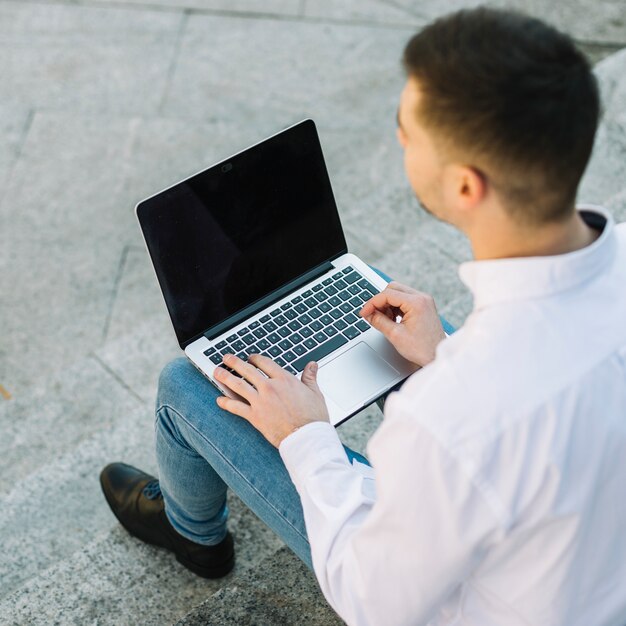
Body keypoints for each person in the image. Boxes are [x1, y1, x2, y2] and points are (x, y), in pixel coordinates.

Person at [100, 7, 626, 625]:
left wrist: (306, 437)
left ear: (464, 187)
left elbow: (371, 599)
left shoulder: (450, 420)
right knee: (400, 349)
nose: (399, 139)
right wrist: (443, 356)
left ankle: (195, 535)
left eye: (409, 130)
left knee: (185, 385)